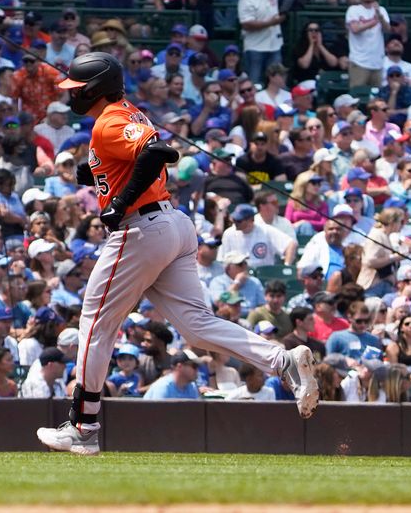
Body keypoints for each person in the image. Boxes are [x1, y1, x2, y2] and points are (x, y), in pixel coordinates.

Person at [36, 52, 319, 455]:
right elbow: (136, 158)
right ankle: (283, 361)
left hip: (140, 229)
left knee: (95, 326)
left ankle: (82, 426)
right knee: (196, 326)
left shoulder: (109, 120)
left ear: (94, 89)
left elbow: (158, 153)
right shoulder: (128, 111)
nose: (72, 96)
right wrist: (98, 175)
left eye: (78, 89)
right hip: (173, 225)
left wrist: (122, 200)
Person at [345, 0, 389, 87]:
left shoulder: (381, 10)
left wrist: (380, 16)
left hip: (377, 62)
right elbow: (355, 29)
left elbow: (387, 29)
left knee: (376, 98)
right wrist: (374, 21)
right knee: (357, 96)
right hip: (359, 62)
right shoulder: (353, 10)